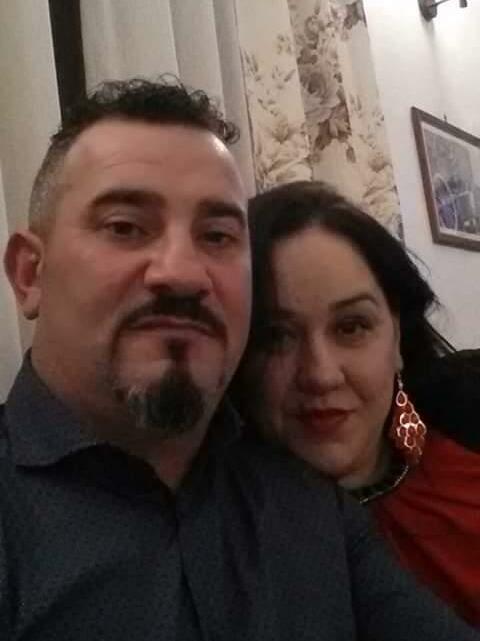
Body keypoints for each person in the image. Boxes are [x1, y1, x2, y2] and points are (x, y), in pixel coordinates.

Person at [0, 80, 478, 641]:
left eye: (217, 235)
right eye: (125, 227)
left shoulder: (309, 505)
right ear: (30, 274)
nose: (182, 272)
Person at [233, 179, 480, 626]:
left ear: (396, 336)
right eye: (275, 336)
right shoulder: (227, 548)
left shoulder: (467, 438)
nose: (321, 374)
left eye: (351, 327)